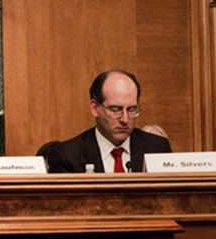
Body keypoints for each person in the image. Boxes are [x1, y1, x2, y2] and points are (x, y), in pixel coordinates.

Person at [42, 69, 171, 173]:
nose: (125, 119)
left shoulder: (157, 148)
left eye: (132, 109)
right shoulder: (67, 156)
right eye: (115, 110)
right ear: (95, 108)